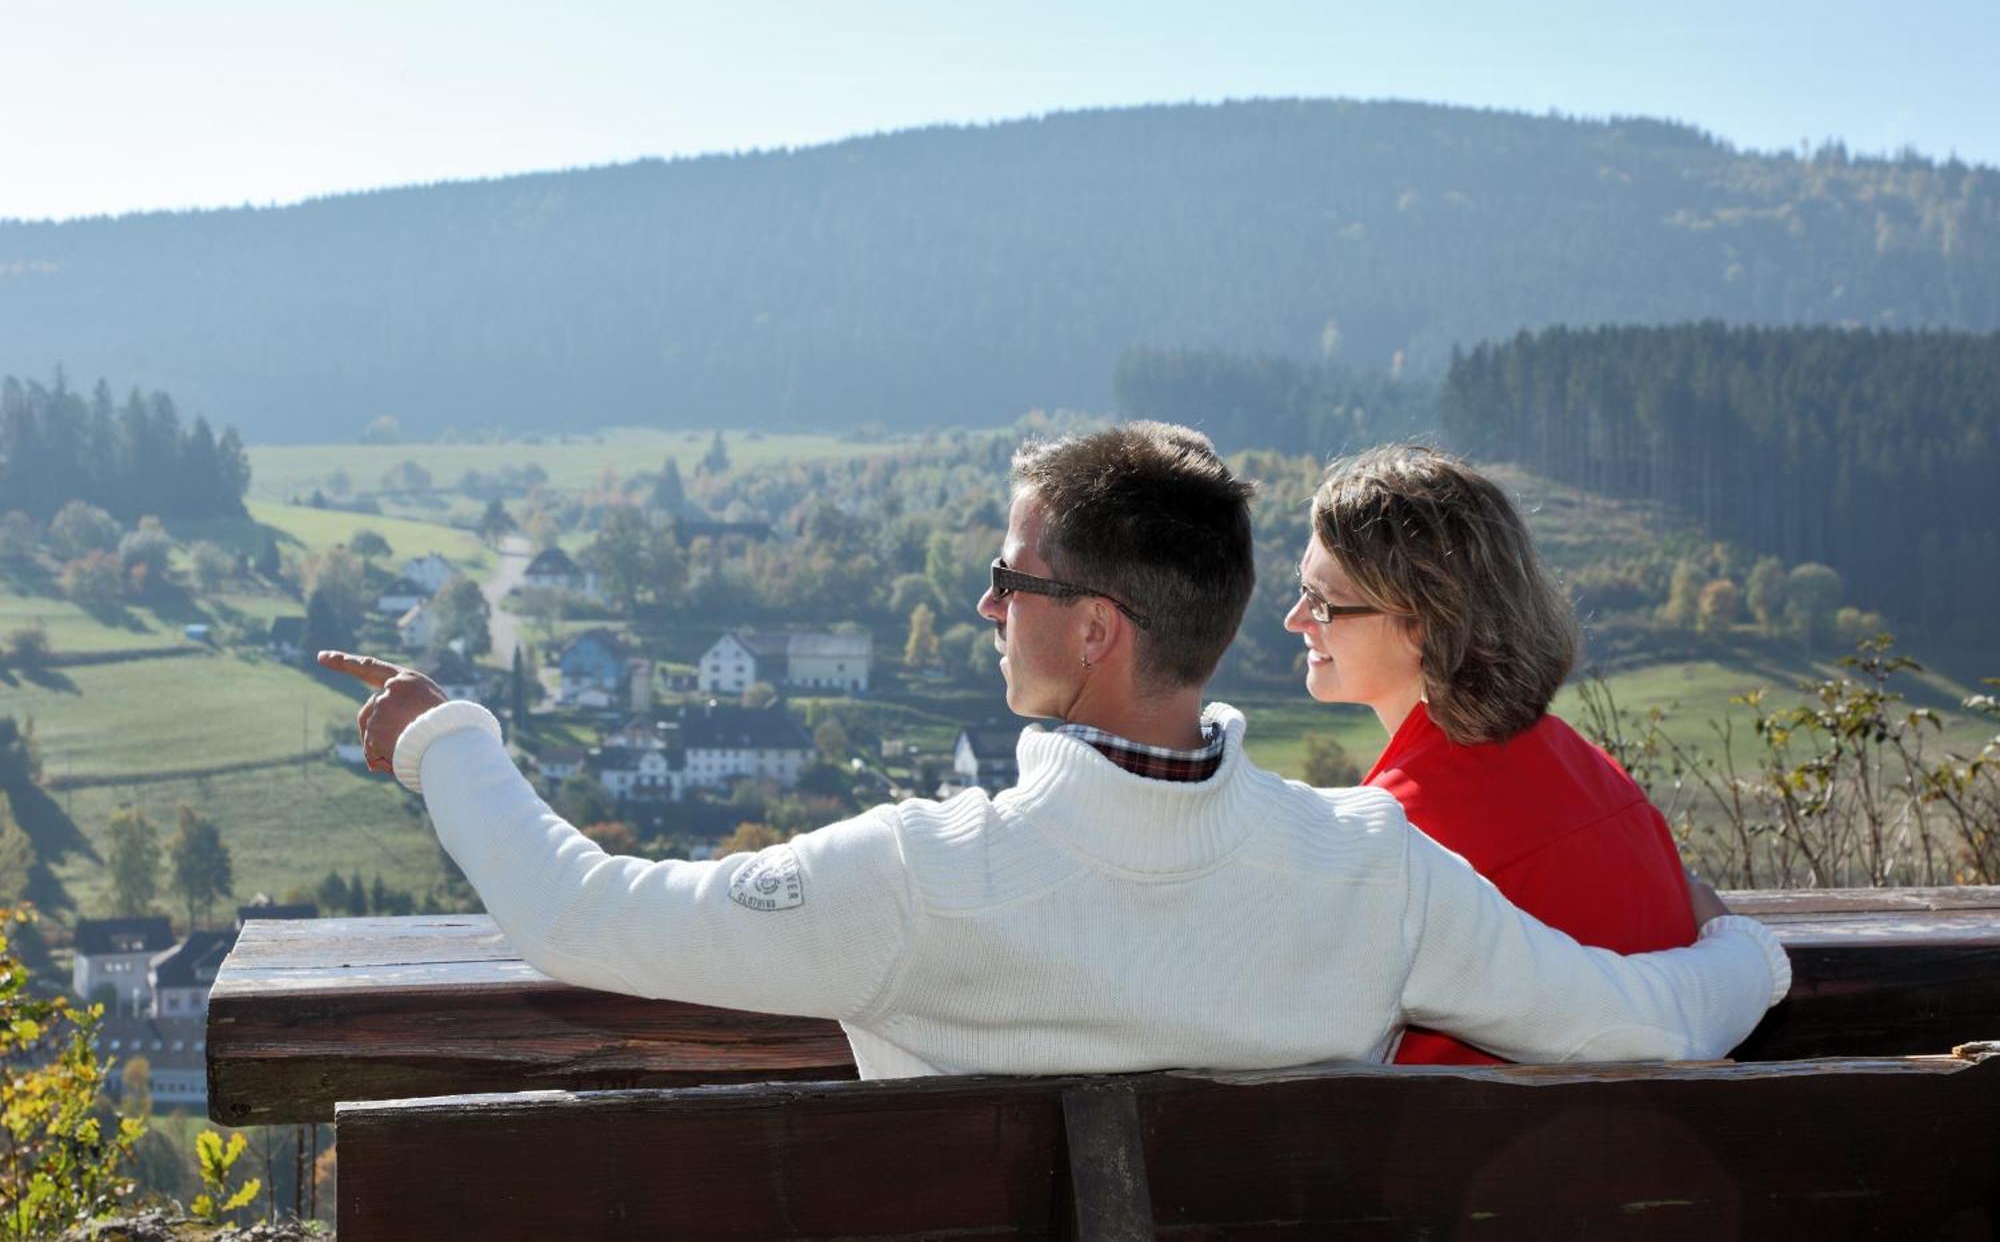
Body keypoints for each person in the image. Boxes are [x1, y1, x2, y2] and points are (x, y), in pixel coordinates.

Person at [322, 422, 1787, 1081]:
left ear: (1094, 629)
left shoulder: (917, 878)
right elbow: (1638, 1024)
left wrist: (444, 739)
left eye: (1009, 582)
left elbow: (577, 911)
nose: (983, 606)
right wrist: (1760, 956)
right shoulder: (1376, 872)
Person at [1286, 443, 1705, 1065]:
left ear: (1424, 624)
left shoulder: (1397, 832)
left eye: (1322, 603)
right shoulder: (1598, 778)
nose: (1297, 620)